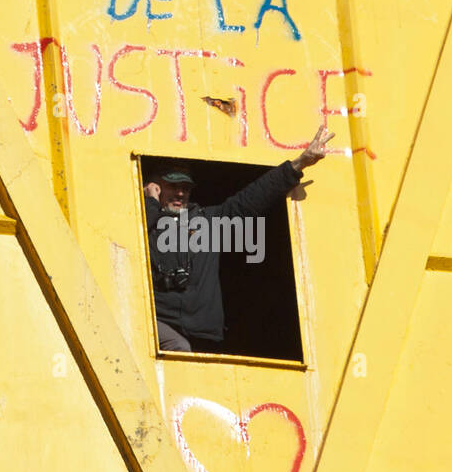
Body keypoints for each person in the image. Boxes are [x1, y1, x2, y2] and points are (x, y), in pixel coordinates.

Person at [143, 126, 334, 353]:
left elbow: (250, 200)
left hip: (203, 334)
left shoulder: (206, 221)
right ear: (154, 187)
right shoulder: (144, 219)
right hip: (157, 326)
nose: (181, 193)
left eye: (185, 187)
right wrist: (151, 204)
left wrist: (299, 164)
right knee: (178, 346)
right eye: (173, 186)